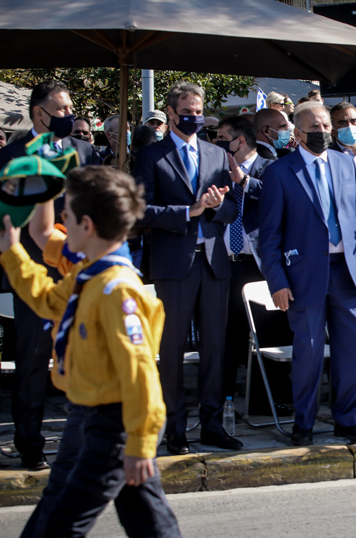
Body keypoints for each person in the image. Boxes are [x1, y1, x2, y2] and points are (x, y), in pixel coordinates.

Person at [0, 166, 181, 538]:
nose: (62, 219)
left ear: (87, 225)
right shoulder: (88, 277)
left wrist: (141, 442)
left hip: (113, 423)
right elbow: (48, 301)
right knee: (145, 519)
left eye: (68, 214)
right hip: (85, 415)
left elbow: (140, 372)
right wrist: (12, 252)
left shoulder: (118, 290)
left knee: (62, 521)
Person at [259, 101, 356, 446]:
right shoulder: (280, 172)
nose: (324, 133)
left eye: (327, 126)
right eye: (315, 128)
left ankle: (349, 419)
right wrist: (277, 282)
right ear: (297, 133)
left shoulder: (347, 164)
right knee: (309, 352)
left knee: (352, 349)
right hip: (303, 276)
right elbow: (269, 237)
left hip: (347, 272)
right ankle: (304, 423)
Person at [134, 81, 243, 455]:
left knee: (215, 347)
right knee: (173, 348)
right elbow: (141, 211)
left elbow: (232, 211)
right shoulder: (152, 156)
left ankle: (212, 425)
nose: (194, 117)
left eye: (199, 111)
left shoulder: (215, 154)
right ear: (171, 112)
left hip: (213, 263)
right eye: (187, 111)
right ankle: (174, 428)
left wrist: (215, 206)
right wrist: (188, 212)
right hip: (173, 264)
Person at [0, 79, 99, 470]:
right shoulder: (12, 155)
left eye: (70, 109)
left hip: (78, 270)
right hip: (37, 269)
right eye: (60, 110)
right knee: (34, 358)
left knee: (82, 354)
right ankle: (29, 442)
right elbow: (10, 212)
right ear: (39, 113)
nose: (68, 117)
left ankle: (81, 441)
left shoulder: (85, 151)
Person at [214, 115, 274, 399]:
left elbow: (278, 198)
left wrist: (245, 182)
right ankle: (222, 398)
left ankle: (265, 401)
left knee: (267, 335)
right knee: (227, 337)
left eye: (222, 137)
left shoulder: (270, 168)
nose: (217, 143)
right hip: (226, 266)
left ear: (239, 140)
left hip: (260, 267)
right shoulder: (216, 170)